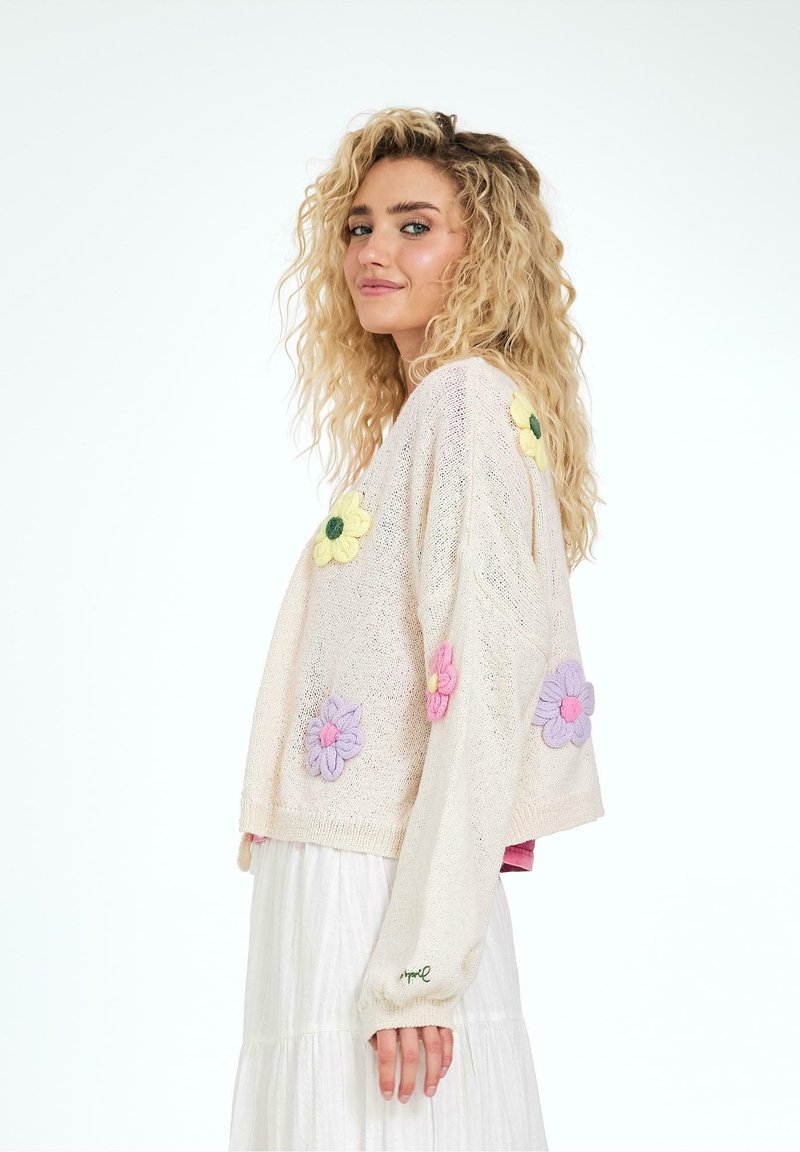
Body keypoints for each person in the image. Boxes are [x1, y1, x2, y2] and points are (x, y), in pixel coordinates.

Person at [228, 106, 605, 1152]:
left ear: (483, 253)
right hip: (363, 875)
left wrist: (418, 970)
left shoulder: (464, 405)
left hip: (377, 889)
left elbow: (485, 690)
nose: (373, 251)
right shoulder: (426, 420)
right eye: (359, 226)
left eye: (413, 226)